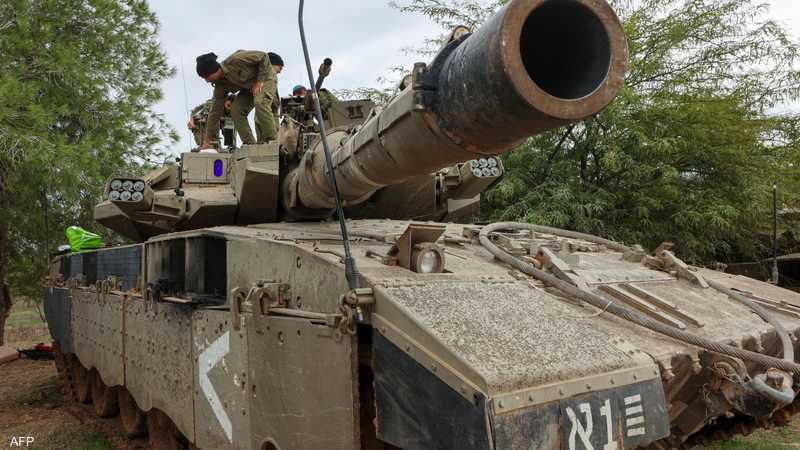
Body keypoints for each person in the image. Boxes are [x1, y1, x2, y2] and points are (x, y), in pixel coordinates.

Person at [195, 50, 281, 148]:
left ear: (215, 70)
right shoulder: (220, 86)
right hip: (249, 87)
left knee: (260, 102)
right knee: (236, 110)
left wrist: (259, 81)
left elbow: (263, 56)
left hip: (265, 78)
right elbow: (214, 112)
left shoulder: (236, 60)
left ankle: (272, 141)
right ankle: (249, 144)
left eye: (207, 76)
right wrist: (207, 140)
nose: (206, 80)